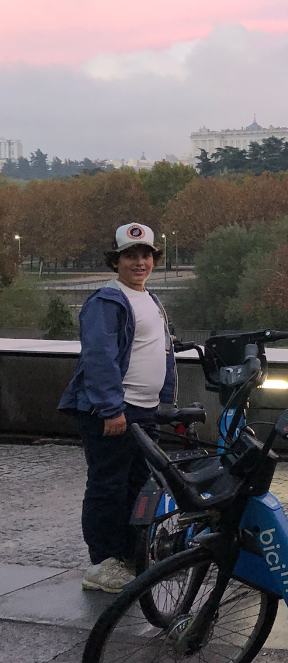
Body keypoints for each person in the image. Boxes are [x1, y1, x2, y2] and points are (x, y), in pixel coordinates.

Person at [58, 223, 176, 593]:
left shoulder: (150, 299)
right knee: (108, 486)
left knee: (139, 486)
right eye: (130, 255)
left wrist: (164, 401)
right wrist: (110, 408)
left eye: (145, 255)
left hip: (142, 410)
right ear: (117, 261)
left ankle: (129, 555)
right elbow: (99, 357)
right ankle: (102, 563)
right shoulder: (106, 301)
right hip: (114, 410)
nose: (139, 262)